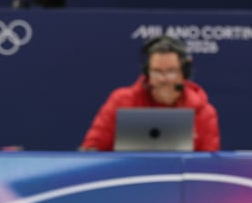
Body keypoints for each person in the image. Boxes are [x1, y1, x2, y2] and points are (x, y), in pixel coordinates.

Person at [80, 36, 220, 152]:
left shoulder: (204, 112)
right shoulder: (121, 101)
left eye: (171, 71)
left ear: (184, 73)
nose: (163, 79)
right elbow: (91, 149)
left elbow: (208, 165)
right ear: (147, 73)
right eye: (157, 71)